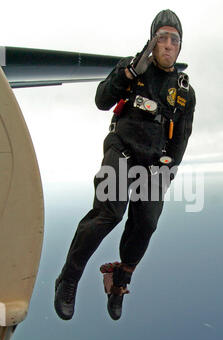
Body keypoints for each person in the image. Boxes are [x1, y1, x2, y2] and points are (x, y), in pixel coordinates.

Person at [54, 9, 196, 321]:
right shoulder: (132, 69)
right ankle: (69, 278)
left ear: (180, 46)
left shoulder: (184, 92)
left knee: (146, 222)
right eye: (162, 38)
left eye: (175, 40)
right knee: (109, 211)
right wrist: (128, 73)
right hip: (122, 149)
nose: (169, 45)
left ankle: (118, 281)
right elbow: (101, 100)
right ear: (152, 41)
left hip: (154, 163)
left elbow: (181, 139)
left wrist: (167, 172)